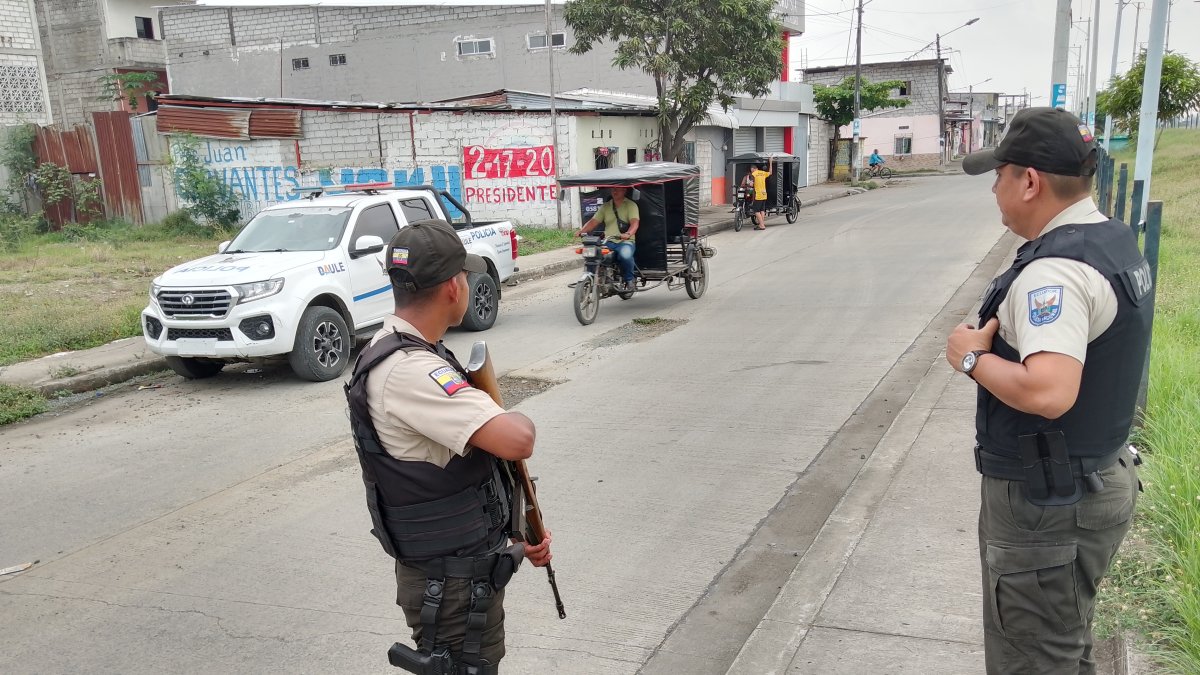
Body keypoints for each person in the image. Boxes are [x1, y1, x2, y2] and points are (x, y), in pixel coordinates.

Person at [946, 107, 1152, 674]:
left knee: (1032, 660)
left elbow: (1048, 391)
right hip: (1090, 478)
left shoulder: (1053, 272)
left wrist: (970, 357)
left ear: (1030, 181)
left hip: (1048, 505)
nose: (994, 188)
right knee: (1062, 646)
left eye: (1000, 174)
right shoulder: (1110, 239)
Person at [344, 219, 553, 674]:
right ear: (453, 288)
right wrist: (505, 412)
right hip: (452, 590)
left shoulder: (406, 349)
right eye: (464, 275)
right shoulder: (410, 370)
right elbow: (517, 440)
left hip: (460, 576)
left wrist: (517, 543)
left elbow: (456, 478)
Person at [577, 186, 639, 289]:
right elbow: (593, 222)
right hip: (608, 241)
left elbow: (635, 224)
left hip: (626, 242)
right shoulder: (605, 207)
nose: (614, 191)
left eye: (617, 189)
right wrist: (581, 231)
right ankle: (593, 277)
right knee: (594, 254)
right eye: (613, 189)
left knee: (625, 255)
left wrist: (628, 234)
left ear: (624, 190)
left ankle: (629, 280)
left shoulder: (631, 205)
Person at [748, 156, 774, 230]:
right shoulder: (763, 173)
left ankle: (762, 225)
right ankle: (761, 224)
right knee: (762, 210)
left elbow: (752, 184)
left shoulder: (754, 174)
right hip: (764, 194)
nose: (752, 171)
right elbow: (771, 172)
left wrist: (751, 184)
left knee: (756, 211)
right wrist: (771, 162)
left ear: (753, 169)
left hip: (758, 195)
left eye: (751, 170)